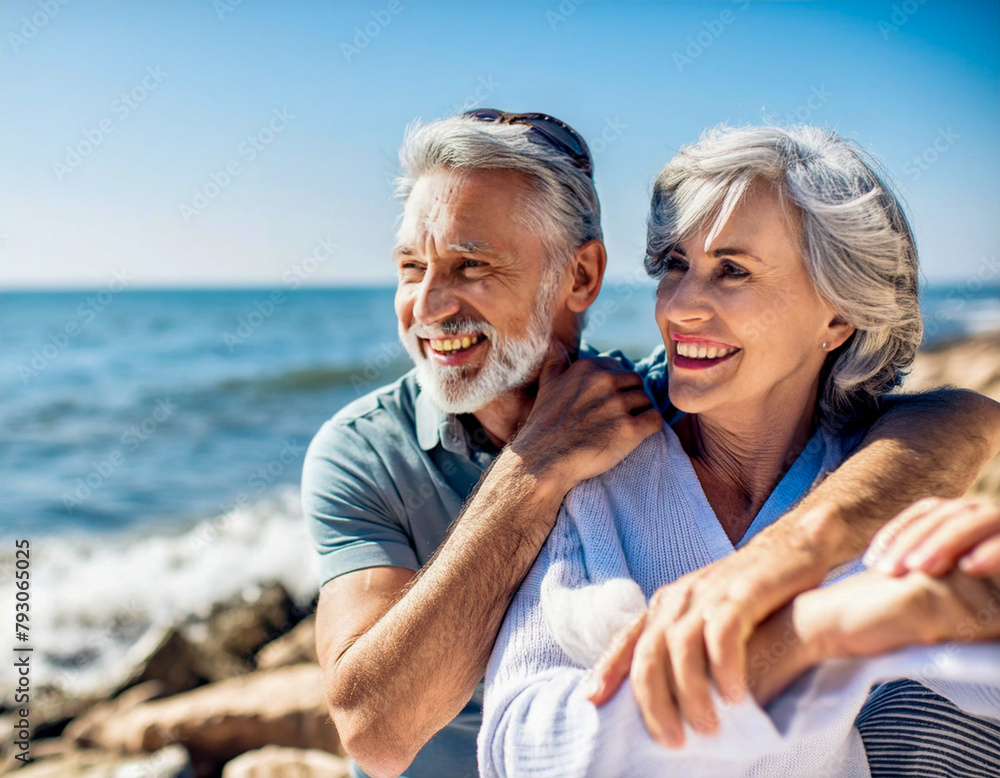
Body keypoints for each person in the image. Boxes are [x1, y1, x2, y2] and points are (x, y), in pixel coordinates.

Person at [302, 111, 1000, 778]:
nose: (424, 309)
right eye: (409, 268)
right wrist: (534, 468)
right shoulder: (377, 454)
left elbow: (958, 417)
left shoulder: (643, 416)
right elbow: (383, 734)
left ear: (582, 277)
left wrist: (792, 561)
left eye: (471, 265)